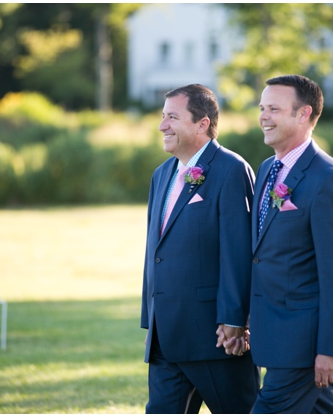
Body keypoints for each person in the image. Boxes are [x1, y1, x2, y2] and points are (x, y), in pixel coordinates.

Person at [140, 84, 259, 413]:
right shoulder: (161, 175)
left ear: (202, 124)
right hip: (166, 337)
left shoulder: (231, 170)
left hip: (216, 338)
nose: (162, 125)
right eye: (163, 116)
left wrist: (235, 319)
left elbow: (238, 250)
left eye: (172, 117)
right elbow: (159, 250)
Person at [248, 74, 333, 413]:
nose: (264, 116)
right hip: (273, 334)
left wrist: (329, 348)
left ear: (303, 114)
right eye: (262, 108)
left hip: (301, 342)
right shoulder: (268, 169)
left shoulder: (329, 179)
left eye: (274, 109)